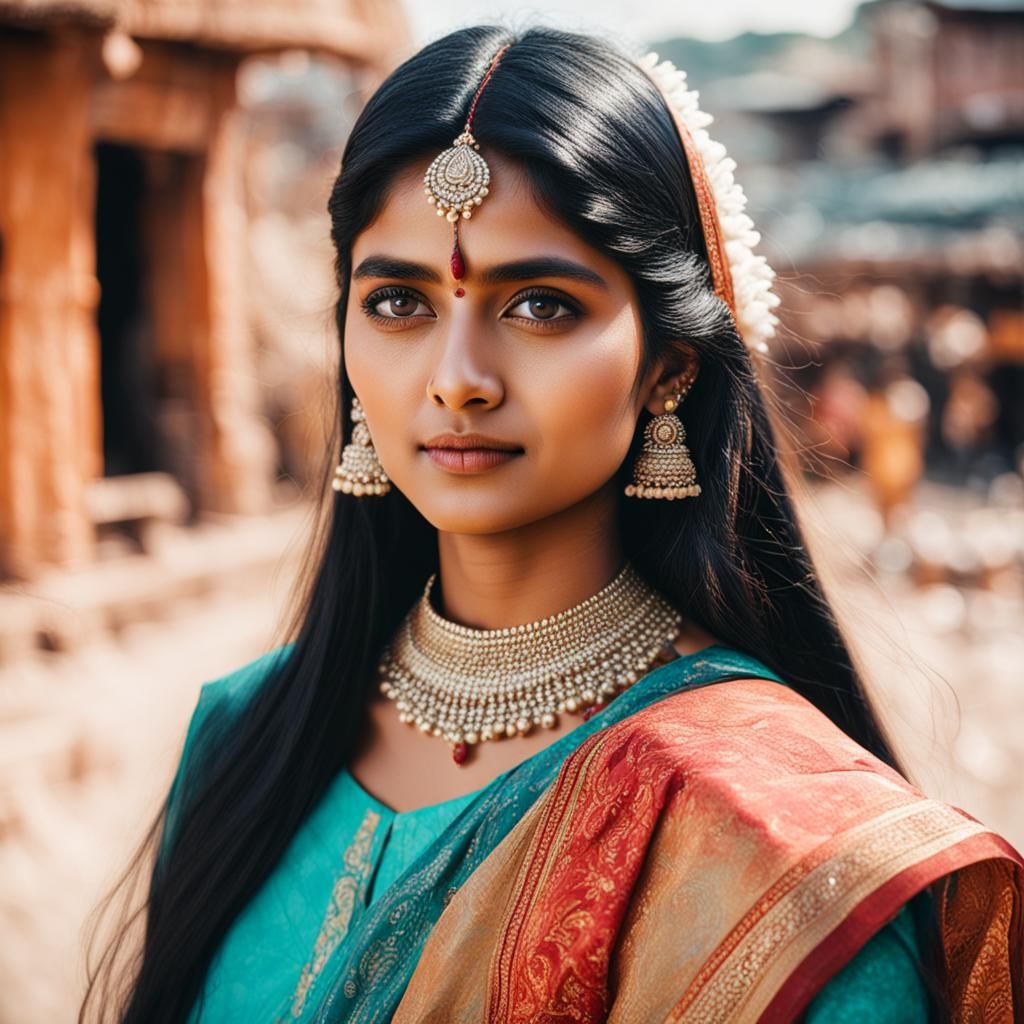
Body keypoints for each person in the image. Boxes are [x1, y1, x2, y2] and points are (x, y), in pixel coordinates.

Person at [81, 26, 1022, 1024]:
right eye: (396, 301)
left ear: (669, 366)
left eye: (538, 306)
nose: (456, 378)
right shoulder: (246, 737)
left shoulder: (784, 862)